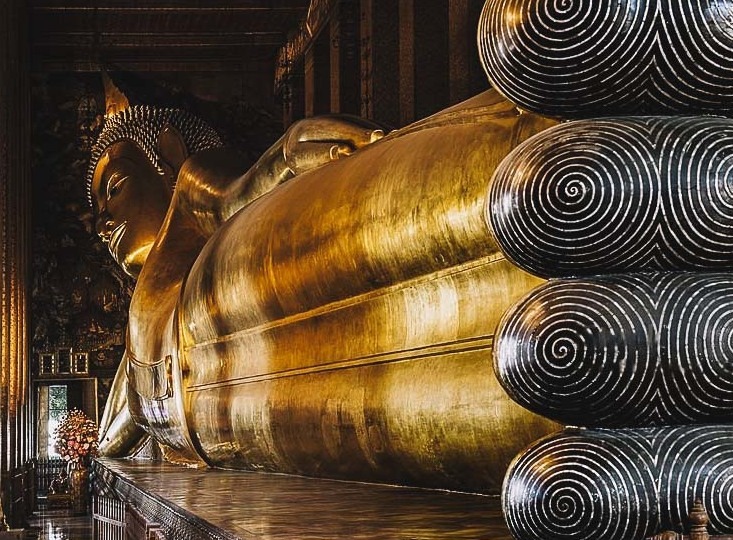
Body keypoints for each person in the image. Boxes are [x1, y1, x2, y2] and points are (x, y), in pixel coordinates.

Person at [92, 76, 559, 492]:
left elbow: (242, 191)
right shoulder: (143, 319)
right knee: (398, 411)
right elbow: (117, 431)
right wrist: (95, 450)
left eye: (114, 188)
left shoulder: (191, 188)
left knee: (407, 235)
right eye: (97, 208)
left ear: (168, 161)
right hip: (230, 410)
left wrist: (289, 151)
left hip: (229, 283)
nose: (104, 219)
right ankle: (563, 387)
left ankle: (546, 166)